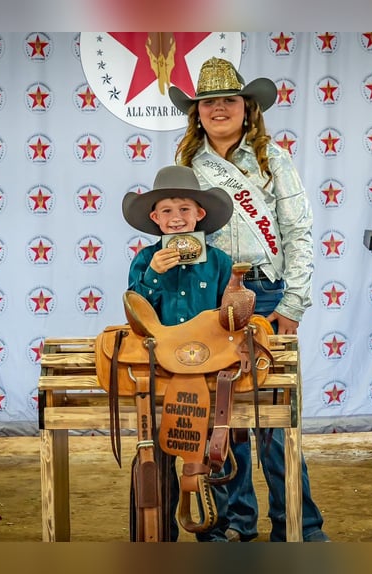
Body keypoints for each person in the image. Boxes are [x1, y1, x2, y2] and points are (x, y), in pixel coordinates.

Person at [168, 57, 330, 542]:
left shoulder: (272, 160)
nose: (219, 108)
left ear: (247, 108)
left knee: (275, 421)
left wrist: (292, 305)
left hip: (266, 294)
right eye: (208, 102)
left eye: (228, 100)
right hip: (208, 296)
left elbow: (298, 232)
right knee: (223, 417)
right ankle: (236, 523)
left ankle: (297, 523)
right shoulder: (187, 168)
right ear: (197, 112)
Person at [123, 164, 235, 541]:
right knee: (154, 449)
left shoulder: (219, 261)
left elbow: (226, 315)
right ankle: (156, 534)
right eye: (167, 211)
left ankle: (216, 531)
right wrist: (154, 273)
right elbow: (137, 311)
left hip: (206, 362)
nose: (176, 218)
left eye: (185, 209)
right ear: (155, 218)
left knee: (213, 447)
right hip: (160, 362)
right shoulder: (143, 260)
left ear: (200, 214)